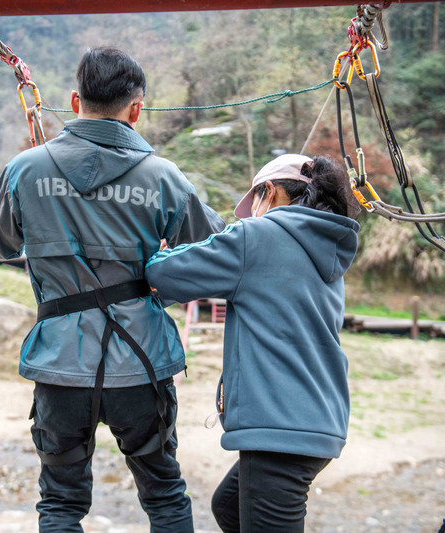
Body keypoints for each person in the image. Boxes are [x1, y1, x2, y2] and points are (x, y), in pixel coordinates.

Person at [0, 46, 224, 532]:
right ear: (137, 109)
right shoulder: (163, 176)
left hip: (62, 363)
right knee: (165, 495)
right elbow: (212, 252)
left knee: (61, 503)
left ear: (74, 101)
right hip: (142, 362)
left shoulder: (25, 169)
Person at [145, 154, 361, 533]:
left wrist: (160, 250)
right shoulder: (326, 245)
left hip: (281, 427)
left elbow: (164, 274)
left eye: (253, 205)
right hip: (317, 417)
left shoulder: (258, 236)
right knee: (228, 507)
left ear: (269, 191)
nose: (248, 216)